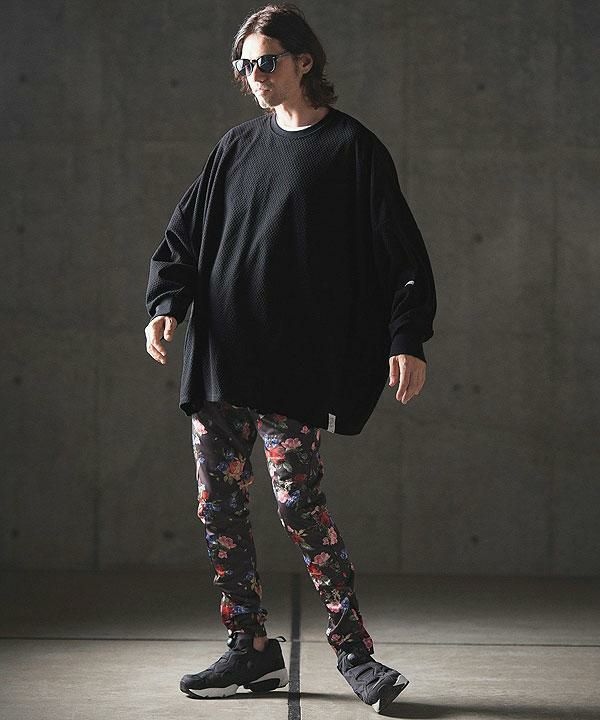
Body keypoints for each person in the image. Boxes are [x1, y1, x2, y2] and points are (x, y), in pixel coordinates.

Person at [144, 3, 436, 713]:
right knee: (219, 508)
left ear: (305, 61)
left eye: (267, 62)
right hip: (220, 356)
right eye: (244, 65)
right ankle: (249, 645)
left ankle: (355, 655)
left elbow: (401, 255)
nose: (254, 76)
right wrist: (167, 302)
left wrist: (406, 337)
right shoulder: (235, 146)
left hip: (293, 363)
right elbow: (184, 235)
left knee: (300, 506)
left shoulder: (352, 148)